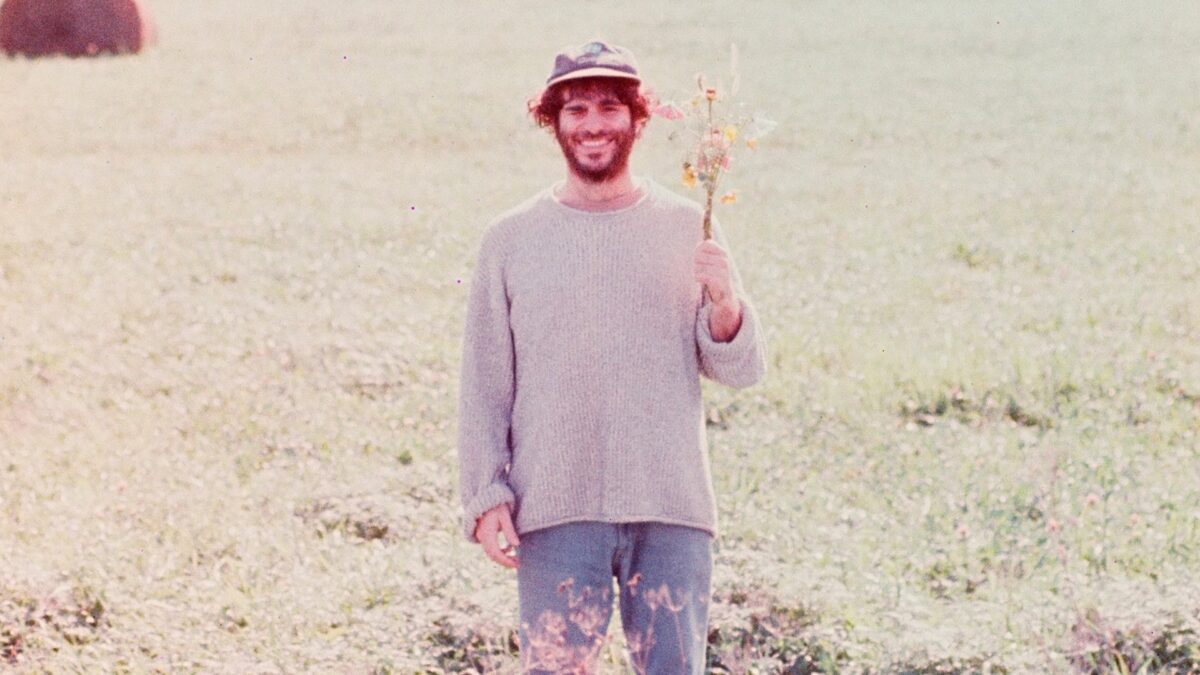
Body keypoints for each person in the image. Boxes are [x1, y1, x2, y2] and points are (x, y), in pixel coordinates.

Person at [456, 39, 768, 674]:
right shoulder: (510, 240)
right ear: (553, 121)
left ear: (637, 119)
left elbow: (740, 369)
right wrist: (486, 494)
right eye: (575, 110)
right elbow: (484, 384)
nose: (592, 125)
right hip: (555, 510)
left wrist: (726, 299)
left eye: (608, 107)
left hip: (670, 507)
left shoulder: (689, 226)